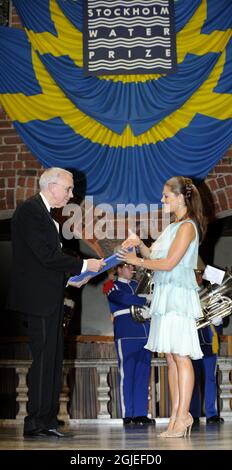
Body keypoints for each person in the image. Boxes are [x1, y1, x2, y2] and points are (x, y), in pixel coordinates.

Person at [8, 167, 105, 438]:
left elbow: (44, 264)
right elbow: (47, 257)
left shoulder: (45, 215)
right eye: (68, 189)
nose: (71, 194)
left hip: (47, 298)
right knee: (44, 360)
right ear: (52, 186)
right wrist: (85, 263)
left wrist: (72, 279)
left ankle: (47, 418)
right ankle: (37, 421)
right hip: (37, 301)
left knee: (52, 359)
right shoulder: (30, 211)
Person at [120, 176, 207, 438]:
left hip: (178, 296)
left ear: (181, 197)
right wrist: (139, 245)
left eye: (166, 196)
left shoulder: (188, 227)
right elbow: (154, 256)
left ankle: (183, 417)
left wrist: (137, 260)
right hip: (166, 294)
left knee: (181, 355)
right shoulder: (173, 227)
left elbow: (169, 264)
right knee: (170, 357)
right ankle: (175, 414)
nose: (162, 200)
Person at [103, 263, 155, 425]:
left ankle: (140, 413)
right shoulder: (111, 285)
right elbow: (122, 299)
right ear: (118, 269)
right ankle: (128, 414)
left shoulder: (138, 285)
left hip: (145, 334)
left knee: (142, 375)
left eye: (133, 267)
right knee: (127, 375)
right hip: (126, 335)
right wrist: (145, 299)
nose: (132, 269)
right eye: (127, 267)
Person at [190, 320, 224, 425]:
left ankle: (211, 413)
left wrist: (219, 322)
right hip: (192, 341)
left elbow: (218, 328)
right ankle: (193, 413)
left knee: (210, 379)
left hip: (209, 342)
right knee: (192, 380)